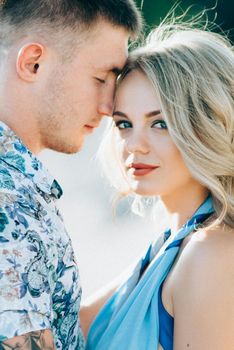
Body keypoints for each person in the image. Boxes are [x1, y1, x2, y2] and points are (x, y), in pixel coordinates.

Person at [84, 19, 234, 350]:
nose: (134, 145)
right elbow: (66, 326)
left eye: (160, 123)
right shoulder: (168, 246)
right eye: (124, 123)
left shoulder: (211, 252)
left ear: (210, 127)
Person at [0, 1, 142, 349]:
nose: (110, 106)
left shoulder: (21, 186)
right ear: (33, 62)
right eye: (100, 78)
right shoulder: (9, 202)